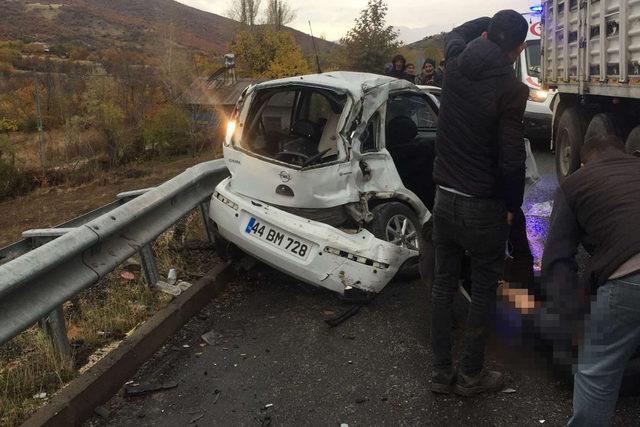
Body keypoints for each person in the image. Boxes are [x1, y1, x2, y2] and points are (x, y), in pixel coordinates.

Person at [428, 10, 529, 396]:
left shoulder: (454, 63)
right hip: (483, 205)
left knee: (443, 285)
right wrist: (511, 203)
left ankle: (440, 373)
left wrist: (484, 22)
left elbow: (454, 31)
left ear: (487, 35)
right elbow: (512, 158)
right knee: (485, 288)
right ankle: (470, 374)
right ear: (518, 50)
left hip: (444, 197)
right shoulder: (511, 89)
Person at [511, 135, 640, 426]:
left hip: (632, 276)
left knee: (596, 369)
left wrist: (572, 320)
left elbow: (557, 260)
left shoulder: (576, 182)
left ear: (583, 162)